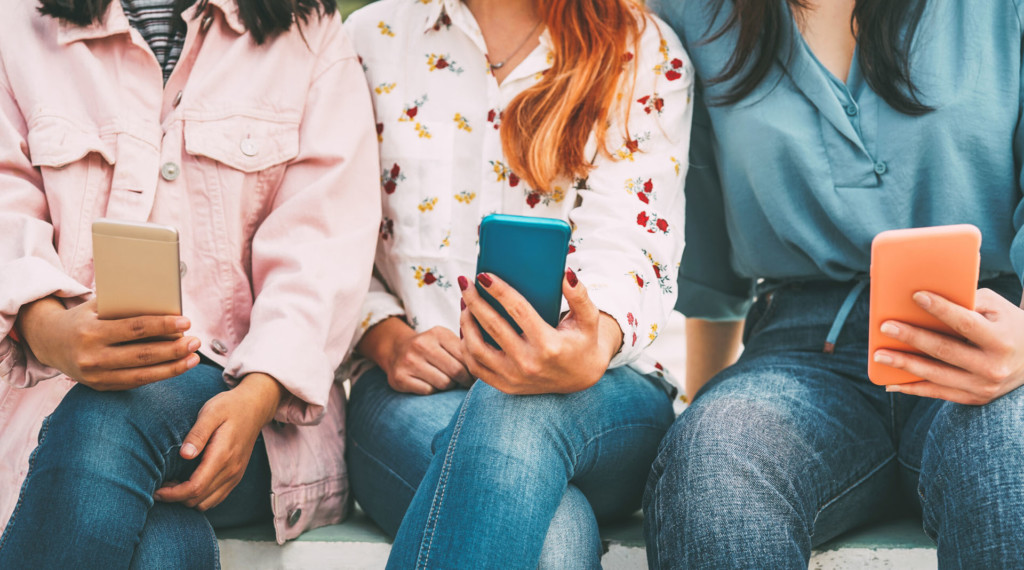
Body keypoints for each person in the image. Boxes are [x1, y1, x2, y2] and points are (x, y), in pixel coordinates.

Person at [645, 0, 1024, 567]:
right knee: (712, 457)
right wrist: (706, 405)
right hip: (799, 350)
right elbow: (705, 249)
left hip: (988, 332)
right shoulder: (689, 12)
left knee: (1010, 457)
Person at [0, 0, 379, 566]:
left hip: (249, 418)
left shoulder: (309, 33)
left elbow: (323, 245)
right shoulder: (14, 24)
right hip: (43, 412)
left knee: (111, 420)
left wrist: (259, 393)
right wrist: (47, 325)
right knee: (163, 550)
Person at [342, 0, 692, 566]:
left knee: (513, 405)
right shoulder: (370, 39)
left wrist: (588, 343)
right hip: (415, 393)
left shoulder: (641, 49)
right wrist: (386, 337)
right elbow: (330, 235)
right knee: (554, 537)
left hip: (603, 395)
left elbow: (633, 239)